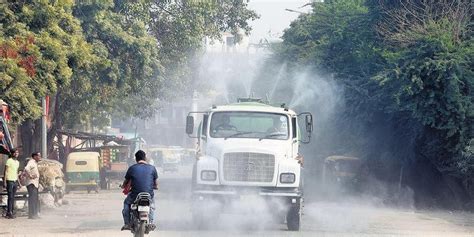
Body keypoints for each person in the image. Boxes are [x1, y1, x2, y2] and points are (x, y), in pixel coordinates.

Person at [121, 150, 158, 231]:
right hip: (149, 194)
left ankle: (127, 223)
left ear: (136, 159)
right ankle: (151, 222)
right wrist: (155, 187)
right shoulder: (152, 168)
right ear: (145, 158)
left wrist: (123, 186)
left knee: (126, 203)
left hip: (135, 195)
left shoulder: (132, 168)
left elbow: (126, 182)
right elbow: (156, 184)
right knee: (152, 205)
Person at [24, 152, 41, 219]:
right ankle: (32, 214)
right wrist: (30, 175)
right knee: (32, 199)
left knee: (35, 199)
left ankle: (34, 214)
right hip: (31, 183)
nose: (40, 157)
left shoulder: (35, 163)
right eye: (38, 156)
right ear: (34, 156)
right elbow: (26, 169)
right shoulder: (31, 162)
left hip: (35, 183)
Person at [3, 148, 19, 219]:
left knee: (13, 197)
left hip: (15, 180)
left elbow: (16, 172)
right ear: (12, 154)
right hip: (9, 180)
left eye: (17, 153)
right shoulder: (9, 161)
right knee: (10, 197)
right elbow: (5, 171)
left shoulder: (17, 162)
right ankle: (9, 212)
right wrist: (4, 181)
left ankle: (11, 211)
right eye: (15, 153)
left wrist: (19, 182)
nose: (16, 154)